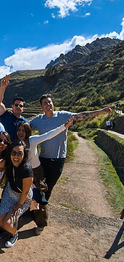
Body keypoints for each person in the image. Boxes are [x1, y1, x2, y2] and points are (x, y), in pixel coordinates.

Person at [30, 93, 112, 234]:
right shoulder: (38, 120)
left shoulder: (63, 115)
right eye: (45, 103)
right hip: (43, 159)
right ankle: (35, 212)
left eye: (49, 102)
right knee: (37, 187)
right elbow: (24, 127)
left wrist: (101, 111)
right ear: (41, 106)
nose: (48, 104)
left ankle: (40, 215)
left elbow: (82, 115)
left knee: (48, 189)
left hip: (58, 160)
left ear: (52, 103)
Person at [0, 75, 28, 141]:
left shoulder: (26, 123)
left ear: (23, 109)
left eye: (20, 106)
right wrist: (2, 88)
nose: (18, 107)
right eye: (16, 105)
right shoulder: (6, 115)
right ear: (12, 106)